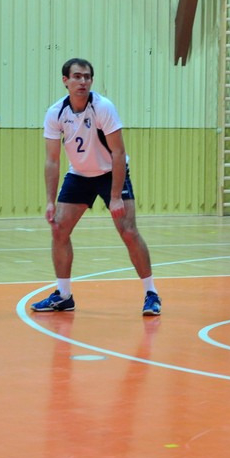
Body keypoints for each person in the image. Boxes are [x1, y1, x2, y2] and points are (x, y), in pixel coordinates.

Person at [32, 58, 161, 316]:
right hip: (79, 174)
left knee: (128, 231)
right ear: (65, 81)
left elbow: (118, 152)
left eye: (87, 77)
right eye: (77, 76)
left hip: (110, 173)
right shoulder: (56, 113)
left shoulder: (103, 107)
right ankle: (64, 295)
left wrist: (115, 196)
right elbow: (52, 160)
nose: (83, 81)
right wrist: (49, 201)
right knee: (59, 228)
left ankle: (151, 294)